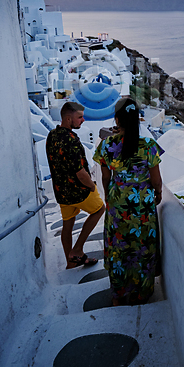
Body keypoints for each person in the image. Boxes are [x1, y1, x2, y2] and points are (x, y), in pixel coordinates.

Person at [93, 97, 163, 306]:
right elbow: (156, 180)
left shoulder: (106, 145)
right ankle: (140, 294)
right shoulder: (148, 145)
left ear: (117, 119)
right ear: (137, 119)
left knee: (119, 247)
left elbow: (105, 177)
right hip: (142, 204)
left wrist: (108, 195)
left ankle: (118, 294)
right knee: (142, 247)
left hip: (118, 201)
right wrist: (157, 194)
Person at [46, 101, 105, 269]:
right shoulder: (71, 139)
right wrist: (92, 187)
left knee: (68, 224)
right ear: (67, 118)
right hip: (77, 191)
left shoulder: (52, 135)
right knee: (100, 209)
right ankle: (78, 249)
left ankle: (70, 262)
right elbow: (80, 172)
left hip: (61, 192)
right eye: (79, 117)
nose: (83, 120)